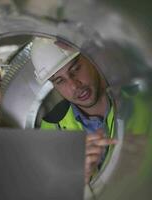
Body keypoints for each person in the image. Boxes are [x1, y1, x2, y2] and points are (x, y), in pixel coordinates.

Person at [31, 37, 117, 184]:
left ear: (92, 58)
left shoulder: (132, 98)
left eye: (75, 69)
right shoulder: (52, 127)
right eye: (60, 81)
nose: (74, 85)